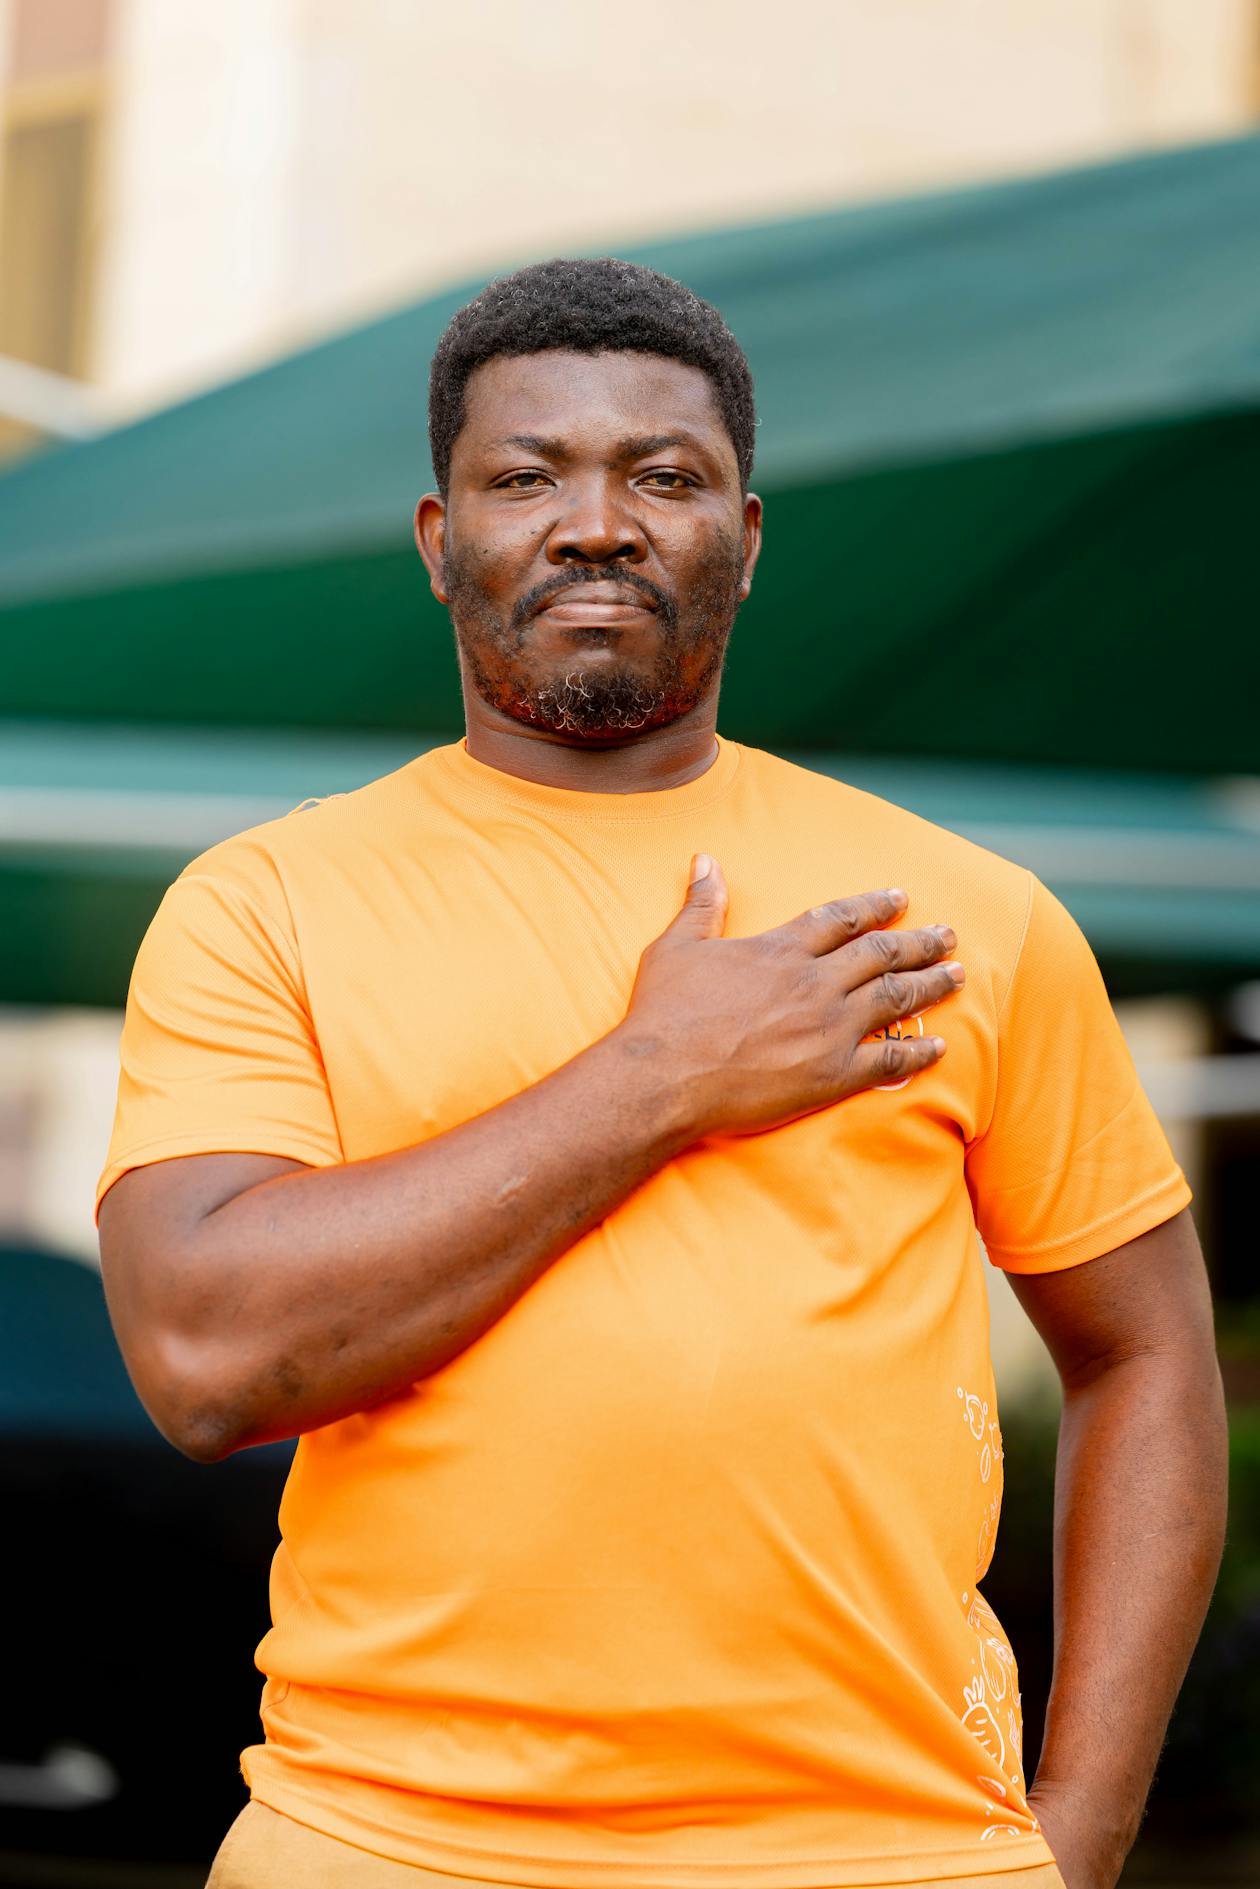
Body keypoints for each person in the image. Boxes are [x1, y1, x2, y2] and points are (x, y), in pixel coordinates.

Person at [97, 259, 1226, 1889]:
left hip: (890, 1854)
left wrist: (1084, 1822)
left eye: (664, 477)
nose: (597, 525)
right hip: (385, 1839)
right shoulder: (265, 903)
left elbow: (1148, 1354)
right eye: (526, 477)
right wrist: (659, 1074)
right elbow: (207, 1359)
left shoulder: (965, 916)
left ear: (746, 542)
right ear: (439, 541)